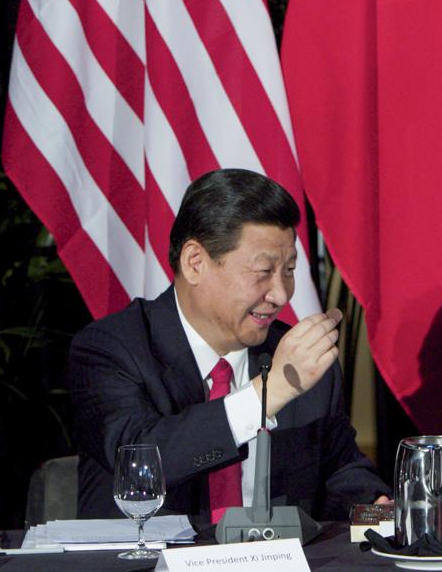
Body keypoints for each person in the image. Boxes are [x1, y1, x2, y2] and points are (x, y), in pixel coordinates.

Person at [70, 169, 390, 523]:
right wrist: (268, 393)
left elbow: (340, 471)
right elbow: (141, 464)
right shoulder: (110, 349)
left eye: (289, 270)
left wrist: (377, 507)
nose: (281, 294)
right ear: (195, 263)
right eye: (263, 271)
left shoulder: (300, 360)